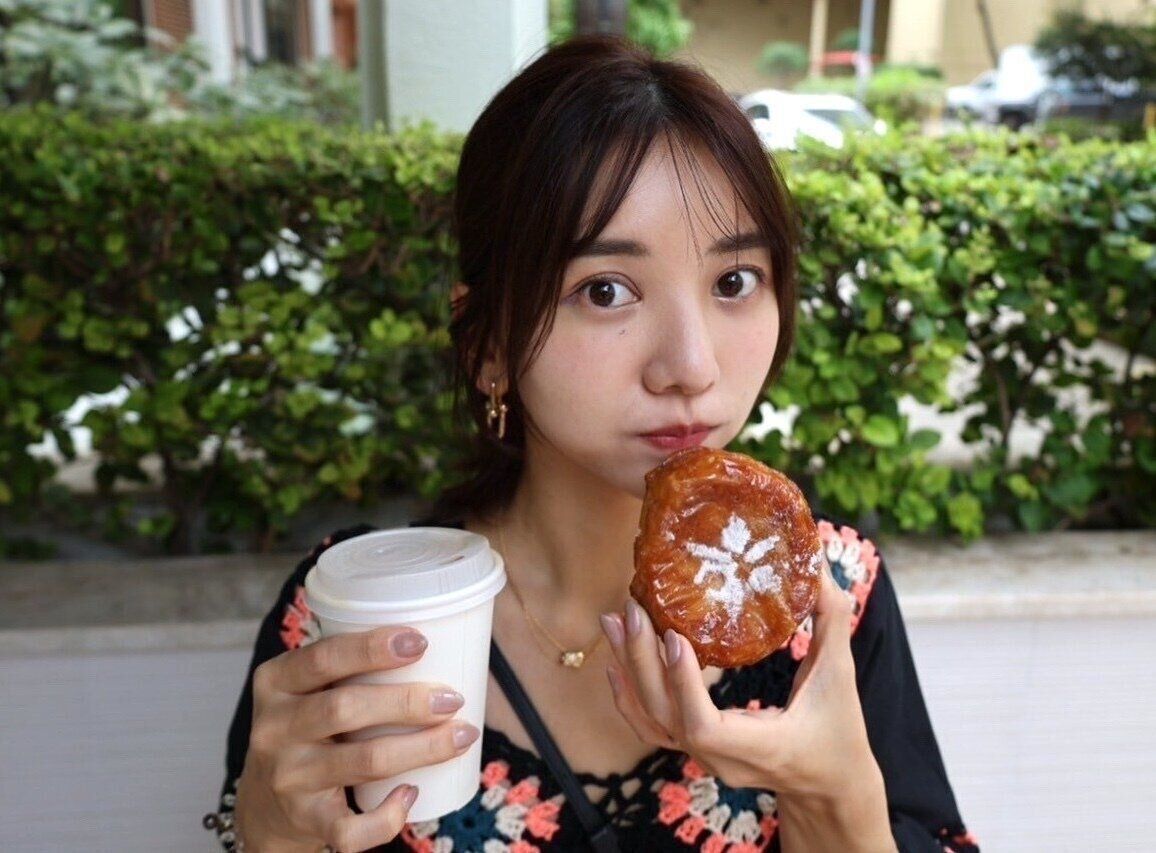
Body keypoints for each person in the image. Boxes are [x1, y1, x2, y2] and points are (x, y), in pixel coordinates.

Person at [204, 34, 978, 853]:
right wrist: (269, 834)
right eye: (605, 290)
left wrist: (837, 799)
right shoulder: (353, 615)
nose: (692, 365)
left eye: (734, 281)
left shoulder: (826, 604)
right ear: (489, 343)